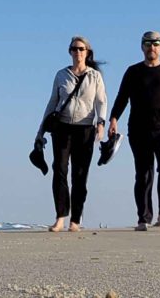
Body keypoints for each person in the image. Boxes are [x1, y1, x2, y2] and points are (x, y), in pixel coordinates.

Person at [108, 30, 160, 231]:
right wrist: (114, 119)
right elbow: (122, 97)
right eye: (148, 43)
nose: (152, 47)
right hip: (139, 129)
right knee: (144, 174)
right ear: (142, 47)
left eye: (156, 43)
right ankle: (143, 218)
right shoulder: (133, 72)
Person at [35, 36, 107, 232]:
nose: (78, 52)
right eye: (74, 49)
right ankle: (60, 217)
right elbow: (52, 102)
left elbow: (101, 101)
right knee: (59, 169)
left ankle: (75, 220)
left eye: (81, 49)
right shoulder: (61, 75)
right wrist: (41, 130)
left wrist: (101, 123)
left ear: (87, 52)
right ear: (70, 51)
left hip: (85, 129)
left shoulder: (94, 76)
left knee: (80, 175)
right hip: (62, 128)